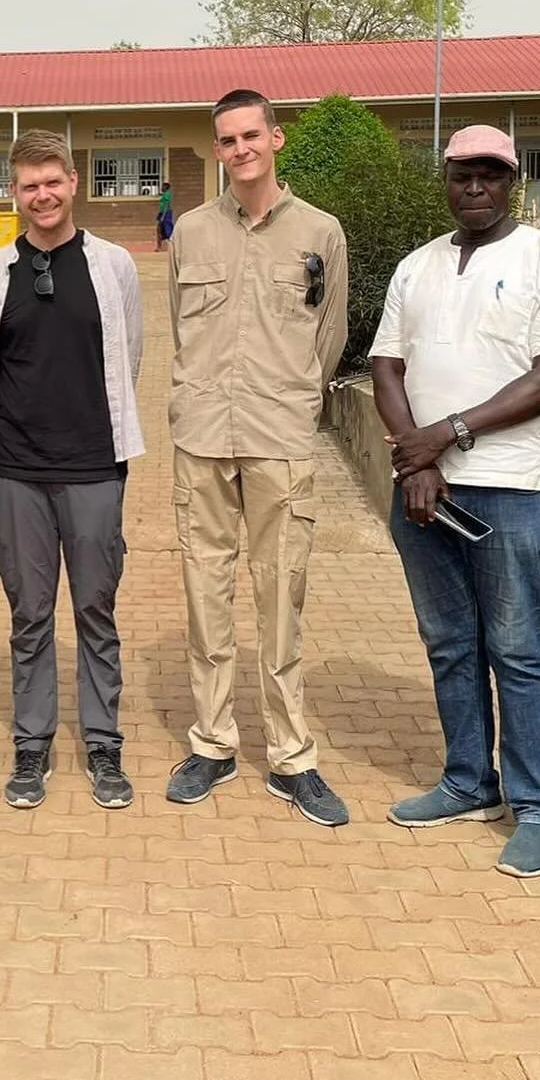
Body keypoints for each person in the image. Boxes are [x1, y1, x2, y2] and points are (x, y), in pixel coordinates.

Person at [370, 124, 540, 878]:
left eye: (490, 175)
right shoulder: (417, 267)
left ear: (511, 181)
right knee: (450, 642)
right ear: (447, 178)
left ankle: (539, 808)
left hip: (513, 489)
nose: (475, 187)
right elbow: (386, 365)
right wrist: (415, 460)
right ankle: (469, 782)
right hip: (425, 490)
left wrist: (447, 435)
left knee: (519, 649)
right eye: (463, 174)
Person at [167, 89, 350, 825]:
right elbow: (182, 336)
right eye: (227, 140)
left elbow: (330, 334)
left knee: (282, 601)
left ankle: (290, 758)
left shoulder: (321, 231)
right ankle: (212, 744)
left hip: (279, 439)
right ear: (217, 150)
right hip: (204, 438)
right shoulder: (190, 232)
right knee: (205, 596)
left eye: (252, 136)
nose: (240, 149)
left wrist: (296, 402)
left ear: (276, 139)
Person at [0, 130, 143, 810]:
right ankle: (31, 744)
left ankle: (103, 744)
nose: (42, 195)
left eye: (53, 181)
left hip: (96, 466)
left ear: (73, 182)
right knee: (29, 612)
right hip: (16, 469)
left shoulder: (114, 265)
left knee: (96, 609)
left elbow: (129, 358)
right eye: (28, 185)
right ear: (14, 193)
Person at [156, 180, 175, 250]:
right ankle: (160, 246)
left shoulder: (167, 194)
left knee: (167, 230)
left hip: (166, 213)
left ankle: (167, 246)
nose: (161, 188)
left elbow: (167, 205)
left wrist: (163, 216)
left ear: (166, 187)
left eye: (163, 187)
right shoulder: (165, 194)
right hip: (162, 213)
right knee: (159, 229)